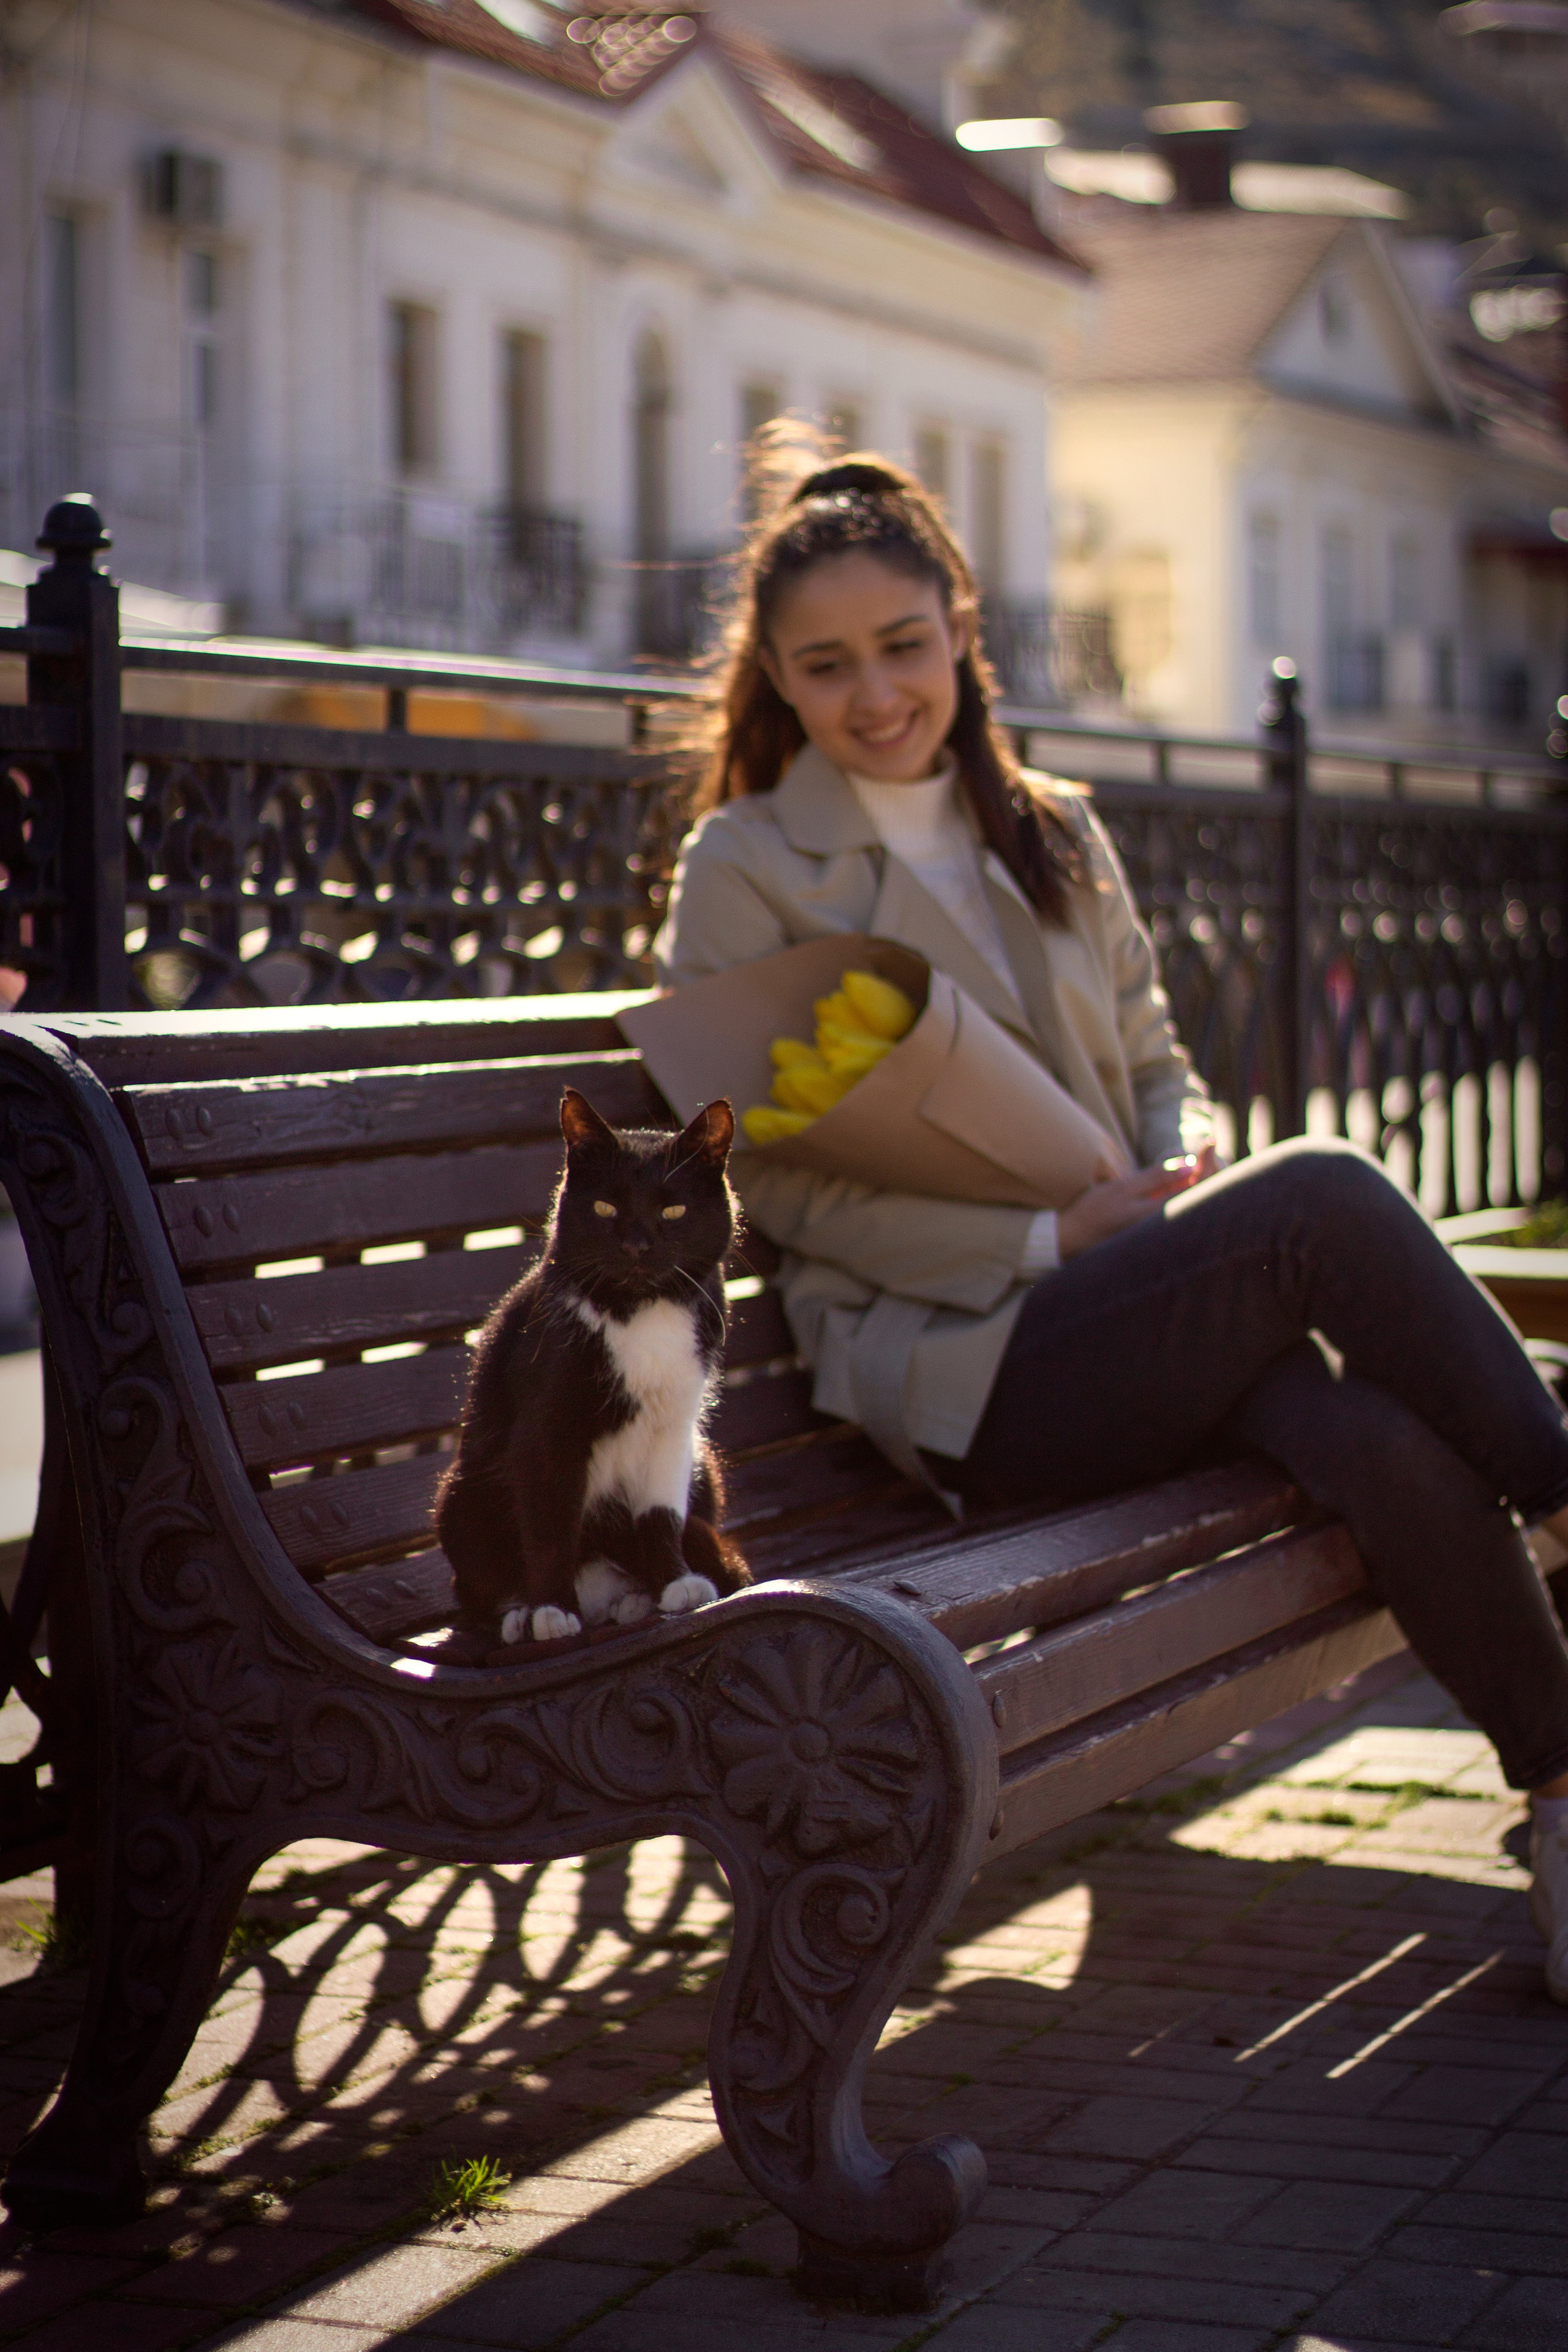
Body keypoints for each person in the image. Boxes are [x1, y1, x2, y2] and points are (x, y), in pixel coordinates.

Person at [654, 426, 1568, 2001]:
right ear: (774, 679)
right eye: (824, 667)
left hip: (1136, 1313)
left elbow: (1156, 1059)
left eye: (901, 647)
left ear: (959, 626)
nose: (873, 696)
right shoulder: (743, 864)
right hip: (961, 1375)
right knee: (1330, 1197)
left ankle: (1559, 1798)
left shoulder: (1050, 826)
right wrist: (1045, 1243)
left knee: (1356, 1430)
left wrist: (1183, 1152)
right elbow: (772, 1193)